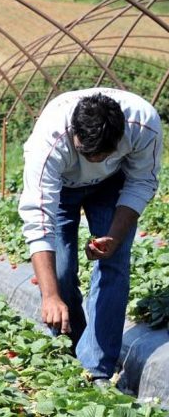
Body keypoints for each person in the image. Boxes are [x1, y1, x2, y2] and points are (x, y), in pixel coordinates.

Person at [19, 88, 162, 386]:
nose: (95, 159)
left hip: (112, 185)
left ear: (120, 137)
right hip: (62, 189)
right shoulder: (49, 139)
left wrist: (114, 236)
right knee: (60, 273)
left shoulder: (143, 125)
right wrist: (50, 296)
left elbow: (141, 182)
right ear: (74, 134)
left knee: (115, 264)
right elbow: (38, 216)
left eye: (104, 154)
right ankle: (72, 349)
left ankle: (95, 368)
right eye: (87, 152)